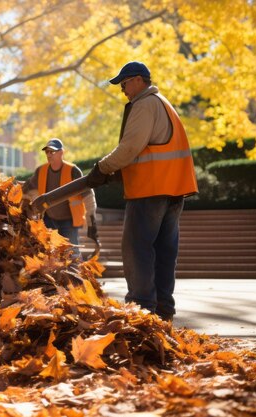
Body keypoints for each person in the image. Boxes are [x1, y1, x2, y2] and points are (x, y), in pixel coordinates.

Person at [85, 61, 198, 321]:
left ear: (138, 80)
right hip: (172, 191)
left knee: (137, 249)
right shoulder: (163, 103)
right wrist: (119, 171)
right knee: (164, 251)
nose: (123, 89)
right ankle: (163, 310)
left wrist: (102, 168)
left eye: (124, 83)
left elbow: (130, 147)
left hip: (150, 191)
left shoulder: (145, 104)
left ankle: (141, 310)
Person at [23, 138, 99, 259]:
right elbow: (27, 191)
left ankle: (75, 275)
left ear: (61, 152)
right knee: (49, 253)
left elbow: (88, 195)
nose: (49, 154)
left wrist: (91, 219)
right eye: (47, 152)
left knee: (71, 253)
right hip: (48, 219)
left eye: (52, 151)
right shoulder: (41, 171)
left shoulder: (73, 171)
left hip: (69, 221)